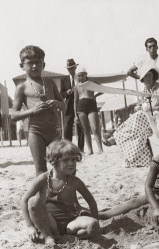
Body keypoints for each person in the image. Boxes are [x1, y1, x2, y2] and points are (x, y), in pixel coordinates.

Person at [20, 140, 99, 247]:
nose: (71, 163)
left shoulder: (74, 181)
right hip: (49, 222)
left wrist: (96, 219)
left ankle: (68, 236)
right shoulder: (43, 179)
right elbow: (24, 200)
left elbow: (91, 201)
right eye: (66, 160)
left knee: (92, 225)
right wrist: (30, 226)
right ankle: (49, 236)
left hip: (71, 222)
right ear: (54, 161)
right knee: (33, 201)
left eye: (73, 160)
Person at [11, 45, 66, 176]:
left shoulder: (50, 83)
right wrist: (32, 111)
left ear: (44, 64)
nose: (35, 66)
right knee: (41, 169)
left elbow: (64, 107)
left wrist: (57, 103)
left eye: (38, 63)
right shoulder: (22, 87)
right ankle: (43, 195)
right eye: (30, 63)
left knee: (61, 164)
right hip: (36, 132)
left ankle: (59, 193)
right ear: (22, 65)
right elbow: (13, 115)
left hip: (54, 131)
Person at [104, 67, 159, 168]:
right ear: (141, 78)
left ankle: (115, 137)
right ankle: (133, 158)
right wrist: (141, 107)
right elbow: (144, 105)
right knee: (136, 132)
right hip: (149, 120)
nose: (148, 78)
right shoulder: (144, 90)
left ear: (154, 76)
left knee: (138, 118)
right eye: (145, 76)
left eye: (150, 75)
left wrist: (149, 108)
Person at [74, 66, 103, 154]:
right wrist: (75, 115)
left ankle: (100, 149)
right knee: (86, 130)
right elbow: (75, 102)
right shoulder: (76, 86)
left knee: (95, 128)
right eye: (79, 76)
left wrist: (95, 95)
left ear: (86, 75)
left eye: (82, 75)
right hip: (80, 107)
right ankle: (90, 150)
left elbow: (103, 89)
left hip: (91, 105)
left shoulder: (92, 83)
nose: (80, 77)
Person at [59, 59, 84, 152]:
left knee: (81, 126)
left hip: (79, 104)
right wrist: (67, 92)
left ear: (75, 68)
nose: (70, 70)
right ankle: (68, 148)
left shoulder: (80, 77)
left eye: (72, 68)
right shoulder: (64, 79)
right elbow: (61, 94)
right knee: (67, 128)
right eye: (69, 69)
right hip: (69, 106)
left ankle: (81, 148)